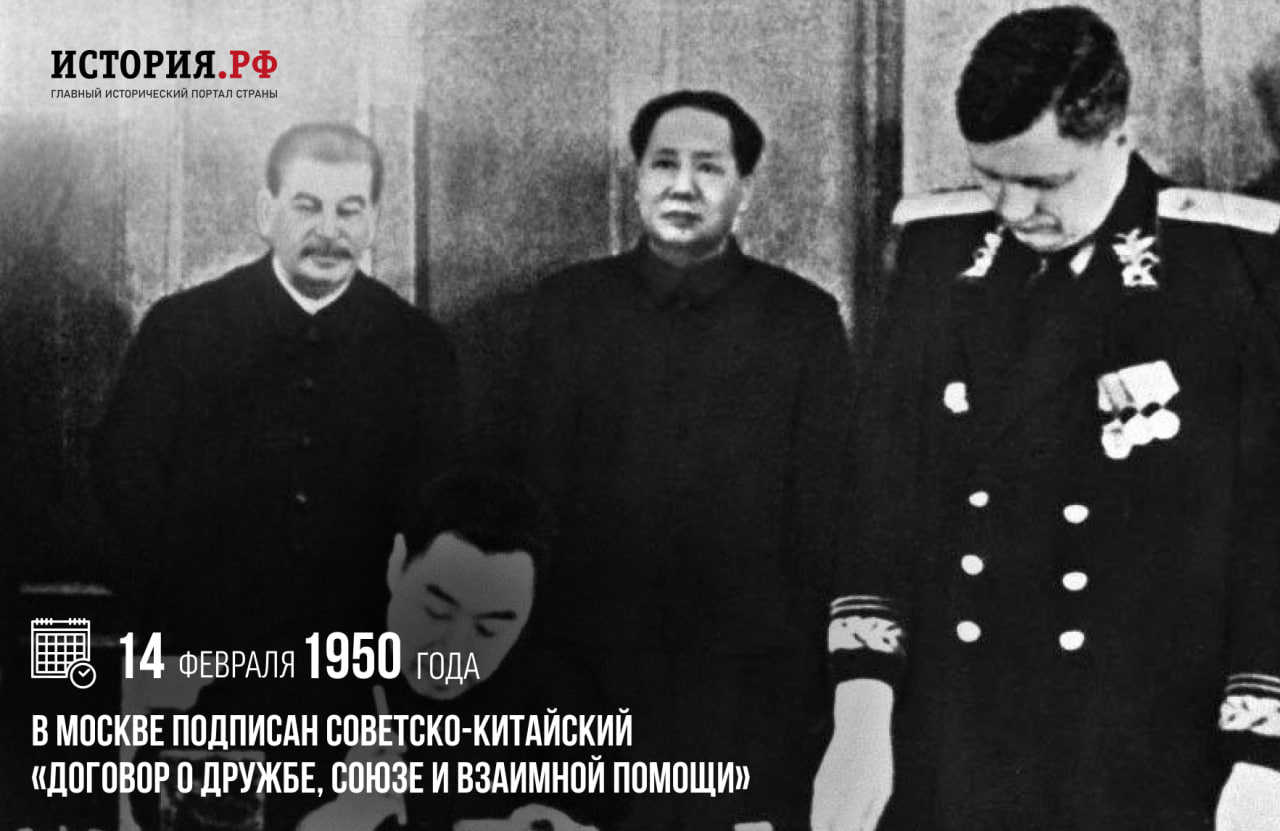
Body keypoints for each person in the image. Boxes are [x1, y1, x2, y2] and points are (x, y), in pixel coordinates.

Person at [812, 7, 1280, 831]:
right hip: (957, 735)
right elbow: (881, 495)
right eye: (992, 177)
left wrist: (1263, 757)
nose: (1012, 207)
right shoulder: (935, 253)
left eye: (1046, 183)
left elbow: (1268, 525)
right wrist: (860, 710)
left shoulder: (1229, 264)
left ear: (1119, 139)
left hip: (1145, 748)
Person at [521, 89, 851, 830]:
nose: (683, 185)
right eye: (663, 164)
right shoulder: (568, 309)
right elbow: (535, 499)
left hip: (747, 691)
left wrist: (802, 689)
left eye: (709, 167)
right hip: (590, 689)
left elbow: (822, 520)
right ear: (636, 180)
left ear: (744, 189)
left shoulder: (801, 320)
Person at [92, 123, 459, 652]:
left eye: (349, 210)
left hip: (356, 656)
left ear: (374, 221)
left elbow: (435, 512)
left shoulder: (421, 348)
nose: (329, 232)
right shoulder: (182, 328)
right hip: (201, 647)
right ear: (267, 213)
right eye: (308, 207)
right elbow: (125, 484)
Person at [131, 469, 624, 831]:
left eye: (491, 628)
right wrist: (330, 821)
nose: (454, 652)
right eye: (436, 611)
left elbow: (602, 808)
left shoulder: (559, 695)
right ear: (396, 566)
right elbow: (158, 791)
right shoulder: (299, 668)